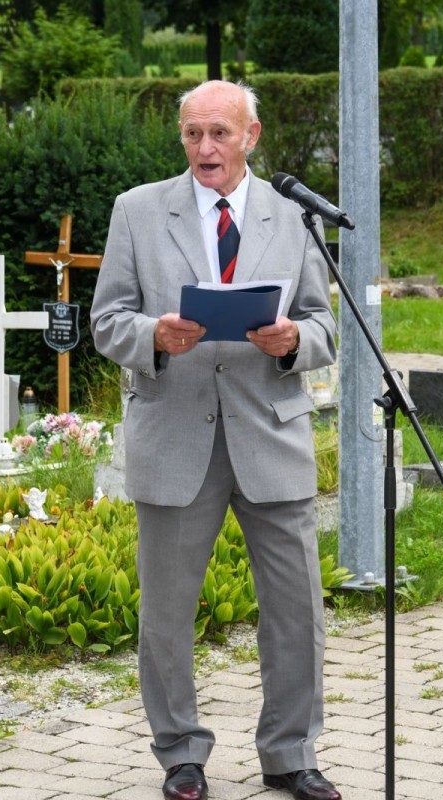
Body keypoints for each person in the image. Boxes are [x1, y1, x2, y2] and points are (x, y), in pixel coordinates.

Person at [91, 80, 341, 800]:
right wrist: (153, 336)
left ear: (251, 136)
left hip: (272, 434)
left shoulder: (293, 213)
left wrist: (295, 339)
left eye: (219, 135)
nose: (205, 148)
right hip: (175, 435)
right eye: (193, 134)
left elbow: (326, 324)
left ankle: (290, 754)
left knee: (297, 612)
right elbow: (107, 321)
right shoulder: (138, 211)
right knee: (167, 614)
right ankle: (180, 755)